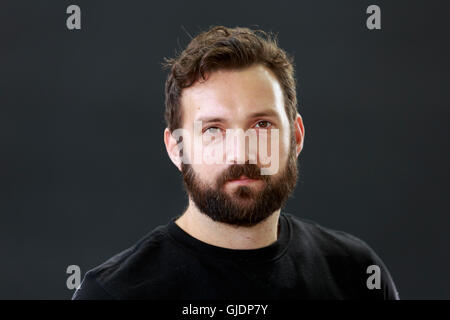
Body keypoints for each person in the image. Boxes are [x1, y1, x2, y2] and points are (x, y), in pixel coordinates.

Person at [72, 26, 400, 300]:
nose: (240, 153)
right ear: (176, 149)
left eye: (262, 125)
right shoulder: (111, 294)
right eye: (214, 129)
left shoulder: (357, 274)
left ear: (296, 137)